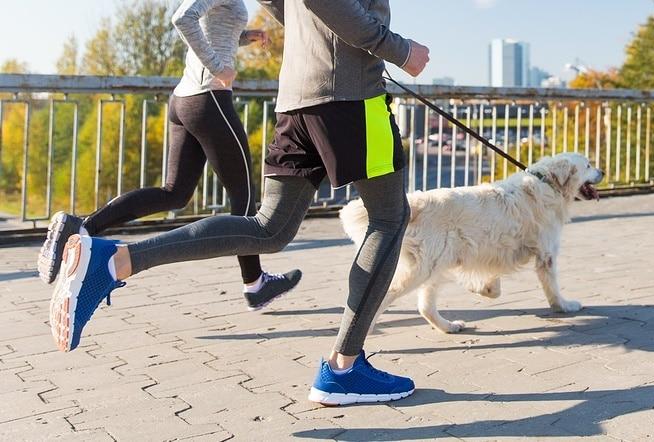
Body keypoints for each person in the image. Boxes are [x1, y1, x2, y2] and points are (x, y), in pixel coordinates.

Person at [49, 0, 430, 406]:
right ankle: (344, 368)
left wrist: (318, 33)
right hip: (351, 100)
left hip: (298, 98)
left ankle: (114, 260)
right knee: (389, 219)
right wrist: (399, 49)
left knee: (270, 228)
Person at [38, 0, 301, 310]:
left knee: (174, 193)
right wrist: (218, 67)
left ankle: (81, 227)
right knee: (243, 197)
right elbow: (183, 18)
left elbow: (209, 27)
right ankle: (255, 284)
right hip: (208, 97)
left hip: (186, 99)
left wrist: (244, 37)